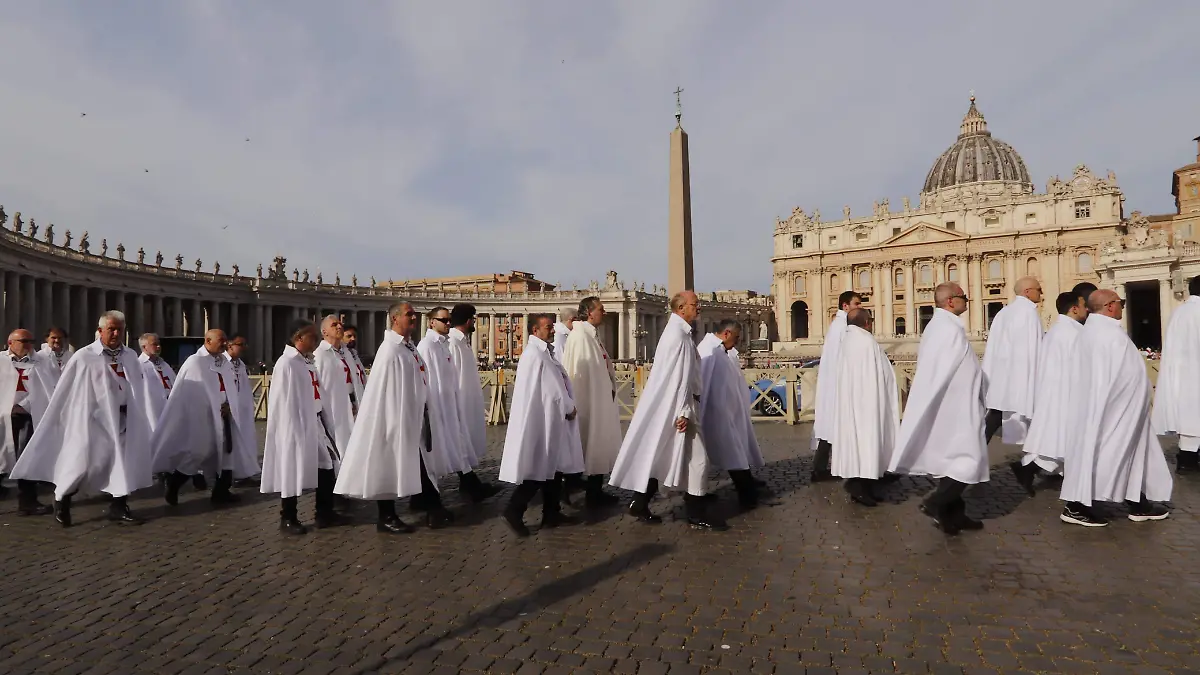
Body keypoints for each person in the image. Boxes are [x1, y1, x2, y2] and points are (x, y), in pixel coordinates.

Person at [10, 311, 153, 527]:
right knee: (81, 463)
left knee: (122, 462)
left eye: (119, 329)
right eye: (111, 329)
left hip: (124, 420)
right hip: (91, 421)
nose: (115, 333)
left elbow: (137, 387)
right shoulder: (85, 356)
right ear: (100, 331)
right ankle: (62, 498)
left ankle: (119, 506)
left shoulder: (130, 356)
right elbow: (66, 390)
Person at [610, 291, 726, 531]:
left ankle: (639, 502)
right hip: (681, 405)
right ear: (681, 308)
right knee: (699, 460)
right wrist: (684, 411)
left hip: (673, 403)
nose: (699, 308)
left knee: (660, 453)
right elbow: (680, 377)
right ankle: (695, 512)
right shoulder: (679, 336)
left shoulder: (676, 332)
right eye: (695, 304)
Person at [1061, 289, 1172, 525]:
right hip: (1115, 412)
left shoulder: (1095, 332)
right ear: (1110, 306)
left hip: (1120, 410)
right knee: (1109, 454)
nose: (1122, 306)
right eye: (1120, 302)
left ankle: (1138, 503)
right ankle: (1077, 505)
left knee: (1131, 455)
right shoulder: (1106, 335)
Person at [336, 302, 445, 534]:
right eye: (409, 315)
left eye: (415, 314)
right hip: (392, 419)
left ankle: (433, 509)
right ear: (395, 319)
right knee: (385, 465)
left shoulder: (408, 347)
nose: (414, 318)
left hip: (412, 416)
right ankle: (387, 516)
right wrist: (395, 420)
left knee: (422, 463)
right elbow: (384, 391)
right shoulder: (390, 350)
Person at [888, 283, 987, 535]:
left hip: (954, 403)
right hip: (956, 406)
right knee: (969, 459)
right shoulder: (946, 329)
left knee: (952, 461)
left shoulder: (943, 326)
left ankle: (953, 515)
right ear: (951, 301)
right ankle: (935, 502)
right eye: (964, 296)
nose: (968, 300)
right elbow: (941, 370)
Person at [499, 314, 585, 536]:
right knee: (538, 469)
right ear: (535, 330)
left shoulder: (545, 352)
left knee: (553, 469)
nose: (553, 331)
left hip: (551, 419)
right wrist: (568, 406)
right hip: (542, 420)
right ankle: (513, 511)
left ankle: (551, 512)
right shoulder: (534, 355)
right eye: (548, 327)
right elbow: (551, 389)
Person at [260, 320, 348, 534]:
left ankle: (324, 512)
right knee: (292, 468)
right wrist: (292, 429)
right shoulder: (286, 363)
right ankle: (288, 516)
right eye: (311, 336)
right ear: (299, 338)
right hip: (295, 425)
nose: (316, 340)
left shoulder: (307, 361)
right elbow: (283, 400)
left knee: (327, 464)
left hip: (315, 421)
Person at [152, 329, 258, 505]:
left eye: (225, 340)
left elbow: (228, 388)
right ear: (208, 341)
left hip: (224, 417)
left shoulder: (223, 361)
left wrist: (229, 405)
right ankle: (175, 484)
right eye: (221, 340)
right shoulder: (195, 362)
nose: (225, 344)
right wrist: (215, 406)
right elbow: (192, 393)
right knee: (197, 453)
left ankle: (221, 492)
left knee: (228, 452)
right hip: (203, 417)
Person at [417, 306, 499, 504]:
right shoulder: (440, 344)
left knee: (458, 445)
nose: (447, 324)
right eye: (443, 320)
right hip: (443, 405)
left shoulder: (448, 343)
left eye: (449, 320)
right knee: (440, 449)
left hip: (454, 403)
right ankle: (430, 497)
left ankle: (465, 485)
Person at [1014, 292, 1088, 496]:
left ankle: (1031, 470)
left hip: (1055, 392)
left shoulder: (1059, 330)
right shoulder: (1071, 333)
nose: (1086, 309)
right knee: (1058, 440)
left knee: (1055, 439)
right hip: (1065, 394)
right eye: (1083, 305)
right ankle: (1027, 470)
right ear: (1074, 308)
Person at [830, 309, 899, 507]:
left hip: (856, 402)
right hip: (867, 403)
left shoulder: (848, 341)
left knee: (860, 446)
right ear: (867, 322)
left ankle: (864, 487)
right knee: (868, 444)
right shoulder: (866, 342)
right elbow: (877, 373)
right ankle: (859, 486)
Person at [561, 297, 622, 506]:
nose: (604, 313)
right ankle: (571, 490)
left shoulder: (592, 335)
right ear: (589, 313)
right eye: (601, 310)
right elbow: (576, 374)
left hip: (599, 400)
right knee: (587, 444)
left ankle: (594, 491)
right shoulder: (580, 337)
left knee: (597, 445)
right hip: (587, 402)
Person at [697, 319, 764, 509]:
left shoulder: (720, 349)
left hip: (726, 412)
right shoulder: (709, 350)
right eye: (736, 337)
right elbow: (702, 383)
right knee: (732, 454)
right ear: (726, 334)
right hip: (717, 413)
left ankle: (696, 495)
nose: (737, 342)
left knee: (732, 452)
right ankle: (747, 495)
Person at [0, 329, 59, 514]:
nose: (28, 344)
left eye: (30, 341)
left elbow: (50, 387)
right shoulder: (1, 360)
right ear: (11, 343)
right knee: (1, 458)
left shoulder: (42, 362)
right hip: (3, 418)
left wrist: (23, 405)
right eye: (23, 341)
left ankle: (27, 502)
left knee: (28, 458)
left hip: (30, 416)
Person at [980, 277, 1043, 450]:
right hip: (1021, 374)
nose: (1041, 293)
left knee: (998, 410)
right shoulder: (1029, 313)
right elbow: (1034, 349)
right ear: (1027, 291)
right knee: (1011, 410)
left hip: (1002, 374)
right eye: (1038, 289)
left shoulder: (1004, 312)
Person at [810, 291, 862, 482]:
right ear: (845, 306)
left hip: (833, 383)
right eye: (856, 303)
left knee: (829, 428)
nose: (860, 307)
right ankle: (824, 469)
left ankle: (820, 468)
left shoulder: (839, 325)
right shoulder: (843, 327)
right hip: (838, 385)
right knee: (832, 427)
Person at [1152, 276, 1200, 474]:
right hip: (1195, 372)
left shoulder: (1178, 312)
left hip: (1182, 375)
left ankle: (1187, 458)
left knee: (1188, 416)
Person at [313, 315, 364, 473]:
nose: (339, 326)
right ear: (324, 332)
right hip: (333, 411)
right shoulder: (319, 355)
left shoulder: (346, 353)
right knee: (337, 448)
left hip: (351, 407)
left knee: (352, 447)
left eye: (340, 324)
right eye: (334, 325)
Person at [447, 304, 488, 466]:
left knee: (466, 439)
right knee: (460, 440)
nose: (475, 323)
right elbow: (453, 375)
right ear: (468, 320)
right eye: (474, 319)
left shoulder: (463, 342)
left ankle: (468, 482)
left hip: (468, 400)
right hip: (460, 400)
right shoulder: (453, 343)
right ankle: (469, 483)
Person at [223, 333, 259, 482]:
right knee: (230, 444)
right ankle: (228, 475)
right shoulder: (222, 362)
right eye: (241, 345)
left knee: (245, 440)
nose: (244, 348)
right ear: (230, 345)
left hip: (242, 410)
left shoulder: (240, 364)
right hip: (228, 410)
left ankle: (243, 472)